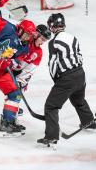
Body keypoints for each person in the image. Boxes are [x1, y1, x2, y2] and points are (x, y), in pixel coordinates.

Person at [37, 13, 96, 147]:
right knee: (79, 100)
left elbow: (52, 64)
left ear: (51, 26)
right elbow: (79, 56)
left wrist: (57, 81)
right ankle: (90, 122)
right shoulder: (73, 37)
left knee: (51, 106)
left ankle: (51, 137)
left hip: (67, 78)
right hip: (81, 74)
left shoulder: (53, 42)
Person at [13, 24, 51, 116]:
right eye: (42, 39)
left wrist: (21, 82)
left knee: (16, 91)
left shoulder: (38, 52)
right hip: (2, 64)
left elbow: (29, 70)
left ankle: (12, 106)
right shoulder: (25, 38)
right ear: (36, 34)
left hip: (14, 72)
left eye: (44, 41)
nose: (42, 43)